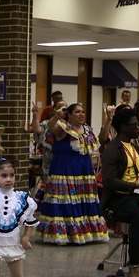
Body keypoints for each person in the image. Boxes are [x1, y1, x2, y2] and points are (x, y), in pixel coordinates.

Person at [35, 103, 109, 245]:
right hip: (64, 169)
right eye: (77, 112)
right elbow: (51, 127)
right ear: (69, 115)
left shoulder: (87, 130)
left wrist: (108, 119)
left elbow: (103, 138)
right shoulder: (63, 127)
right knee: (63, 199)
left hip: (83, 170)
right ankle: (62, 234)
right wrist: (56, 116)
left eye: (83, 112)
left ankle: (85, 232)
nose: (81, 114)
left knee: (82, 199)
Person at [101, 106, 139, 277]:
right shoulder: (112, 149)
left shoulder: (135, 148)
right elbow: (109, 181)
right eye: (135, 125)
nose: (138, 128)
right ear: (124, 127)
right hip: (118, 197)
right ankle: (134, 266)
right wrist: (134, 187)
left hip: (135, 194)